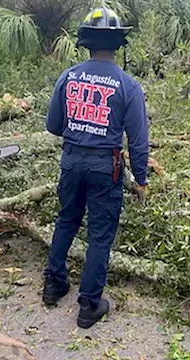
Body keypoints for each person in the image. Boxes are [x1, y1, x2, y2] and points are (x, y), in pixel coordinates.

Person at [41, 7, 150, 329]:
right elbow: (139, 140)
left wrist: (81, 129)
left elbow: (53, 125)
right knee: (100, 236)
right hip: (106, 166)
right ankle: (89, 304)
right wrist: (141, 179)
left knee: (66, 220)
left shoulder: (69, 76)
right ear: (119, 43)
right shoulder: (128, 85)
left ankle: (53, 285)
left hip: (72, 160)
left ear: (86, 41)